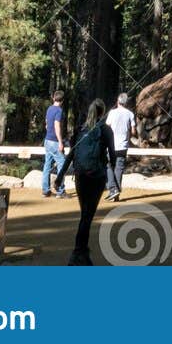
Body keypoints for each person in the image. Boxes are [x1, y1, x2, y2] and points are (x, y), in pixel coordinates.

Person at [56, 99, 117, 265]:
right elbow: (113, 155)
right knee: (87, 216)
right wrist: (112, 170)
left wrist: (60, 176)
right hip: (97, 177)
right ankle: (78, 253)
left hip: (81, 176)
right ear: (102, 113)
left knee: (85, 214)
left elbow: (71, 155)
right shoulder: (106, 131)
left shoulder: (80, 130)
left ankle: (82, 253)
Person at [106, 92, 137, 193]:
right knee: (119, 168)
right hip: (123, 145)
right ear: (126, 103)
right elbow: (133, 131)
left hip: (111, 145)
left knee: (108, 165)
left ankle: (112, 188)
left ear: (117, 101)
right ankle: (117, 190)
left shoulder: (112, 112)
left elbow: (107, 126)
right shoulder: (130, 114)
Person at [42, 90, 67, 198]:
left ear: (53, 98)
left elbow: (47, 124)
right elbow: (57, 126)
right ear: (62, 101)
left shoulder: (49, 109)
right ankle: (60, 191)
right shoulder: (59, 111)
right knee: (62, 165)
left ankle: (45, 190)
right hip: (54, 141)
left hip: (47, 140)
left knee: (47, 165)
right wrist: (60, 142)